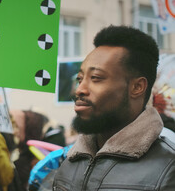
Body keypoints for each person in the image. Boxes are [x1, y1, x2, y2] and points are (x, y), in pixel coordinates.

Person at [53, 25, 175, 190]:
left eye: (96, 78)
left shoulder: (168, 168)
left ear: (137, 87)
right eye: (80, 78)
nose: (80, 89)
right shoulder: (69, 161)